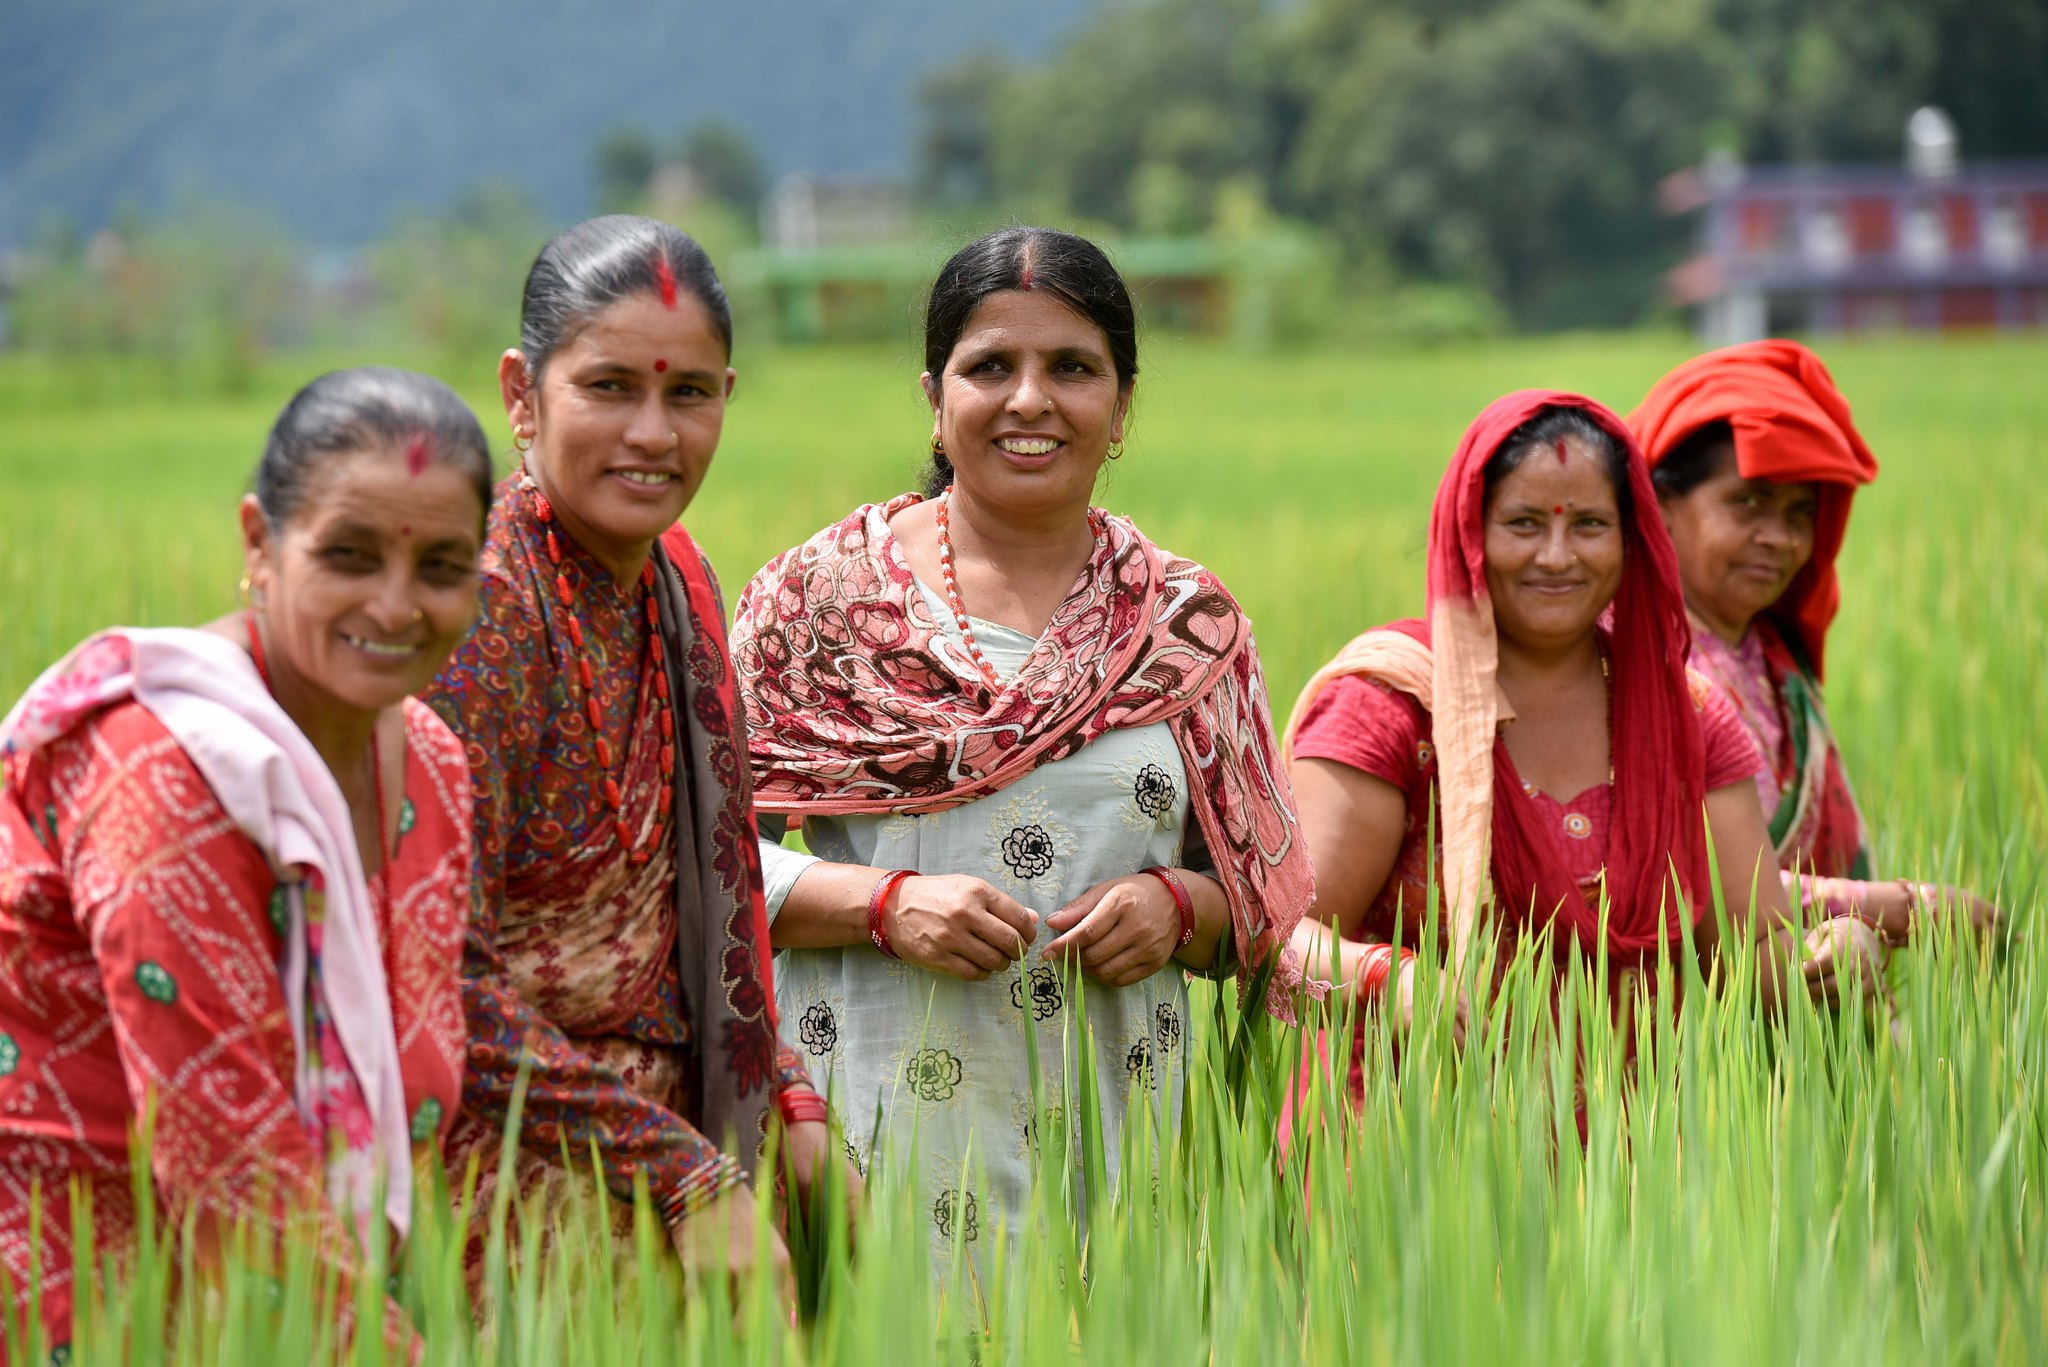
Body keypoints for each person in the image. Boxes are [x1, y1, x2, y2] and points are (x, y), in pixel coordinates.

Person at [730, 226, 1313, 1256]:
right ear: (934, 394)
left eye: (1071, 368)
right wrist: (883, 906)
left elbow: (1258, 900)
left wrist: (1176, 906)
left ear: (1121, 403)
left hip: (1121, 1143)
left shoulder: (1185, 625)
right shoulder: (815, 601)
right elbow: (703, 864)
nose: (1029, 399)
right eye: (990, 365)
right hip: (871, 1145)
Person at [0, 368, 492, 1352]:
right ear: (259, 544)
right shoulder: (161, 773)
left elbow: (421, 1084)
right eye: (349, 555)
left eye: (441, 566)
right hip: (80, 1301)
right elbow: (230, 1169)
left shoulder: (433, 762)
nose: (396, 606)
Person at [421, 215, 843, 1300]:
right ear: (522, 394)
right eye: (608, 387)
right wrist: (688, 1177)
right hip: (499, 1172)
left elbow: (701, 911)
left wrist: (783, 1089)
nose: (652, 432)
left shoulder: (674, 587)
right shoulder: (481, 610)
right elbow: (433, 979)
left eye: (687, 393)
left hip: (672, 1160)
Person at [1282, 391, 1808, 1082]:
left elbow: (1755, 958)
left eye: (1589, 524)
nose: (1556, 556)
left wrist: (1833, 951)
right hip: (1408, 1152)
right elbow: (1274, 939)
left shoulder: (1687, 716)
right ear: (1470, 531)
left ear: (1631, 538)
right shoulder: (1390, 704)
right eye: (1523, 524)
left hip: (1637, 1164)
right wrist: (1393, 980)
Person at [1629, 340, 1999, 982]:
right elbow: (1677, 876)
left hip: (1797, 1009)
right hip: (1668, 1030)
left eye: (1800, 513)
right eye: (1747, 503)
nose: (1780, 538)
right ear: (1659, 510)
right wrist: (1905, 907)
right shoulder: (1626, 666)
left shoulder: (1776, 657)